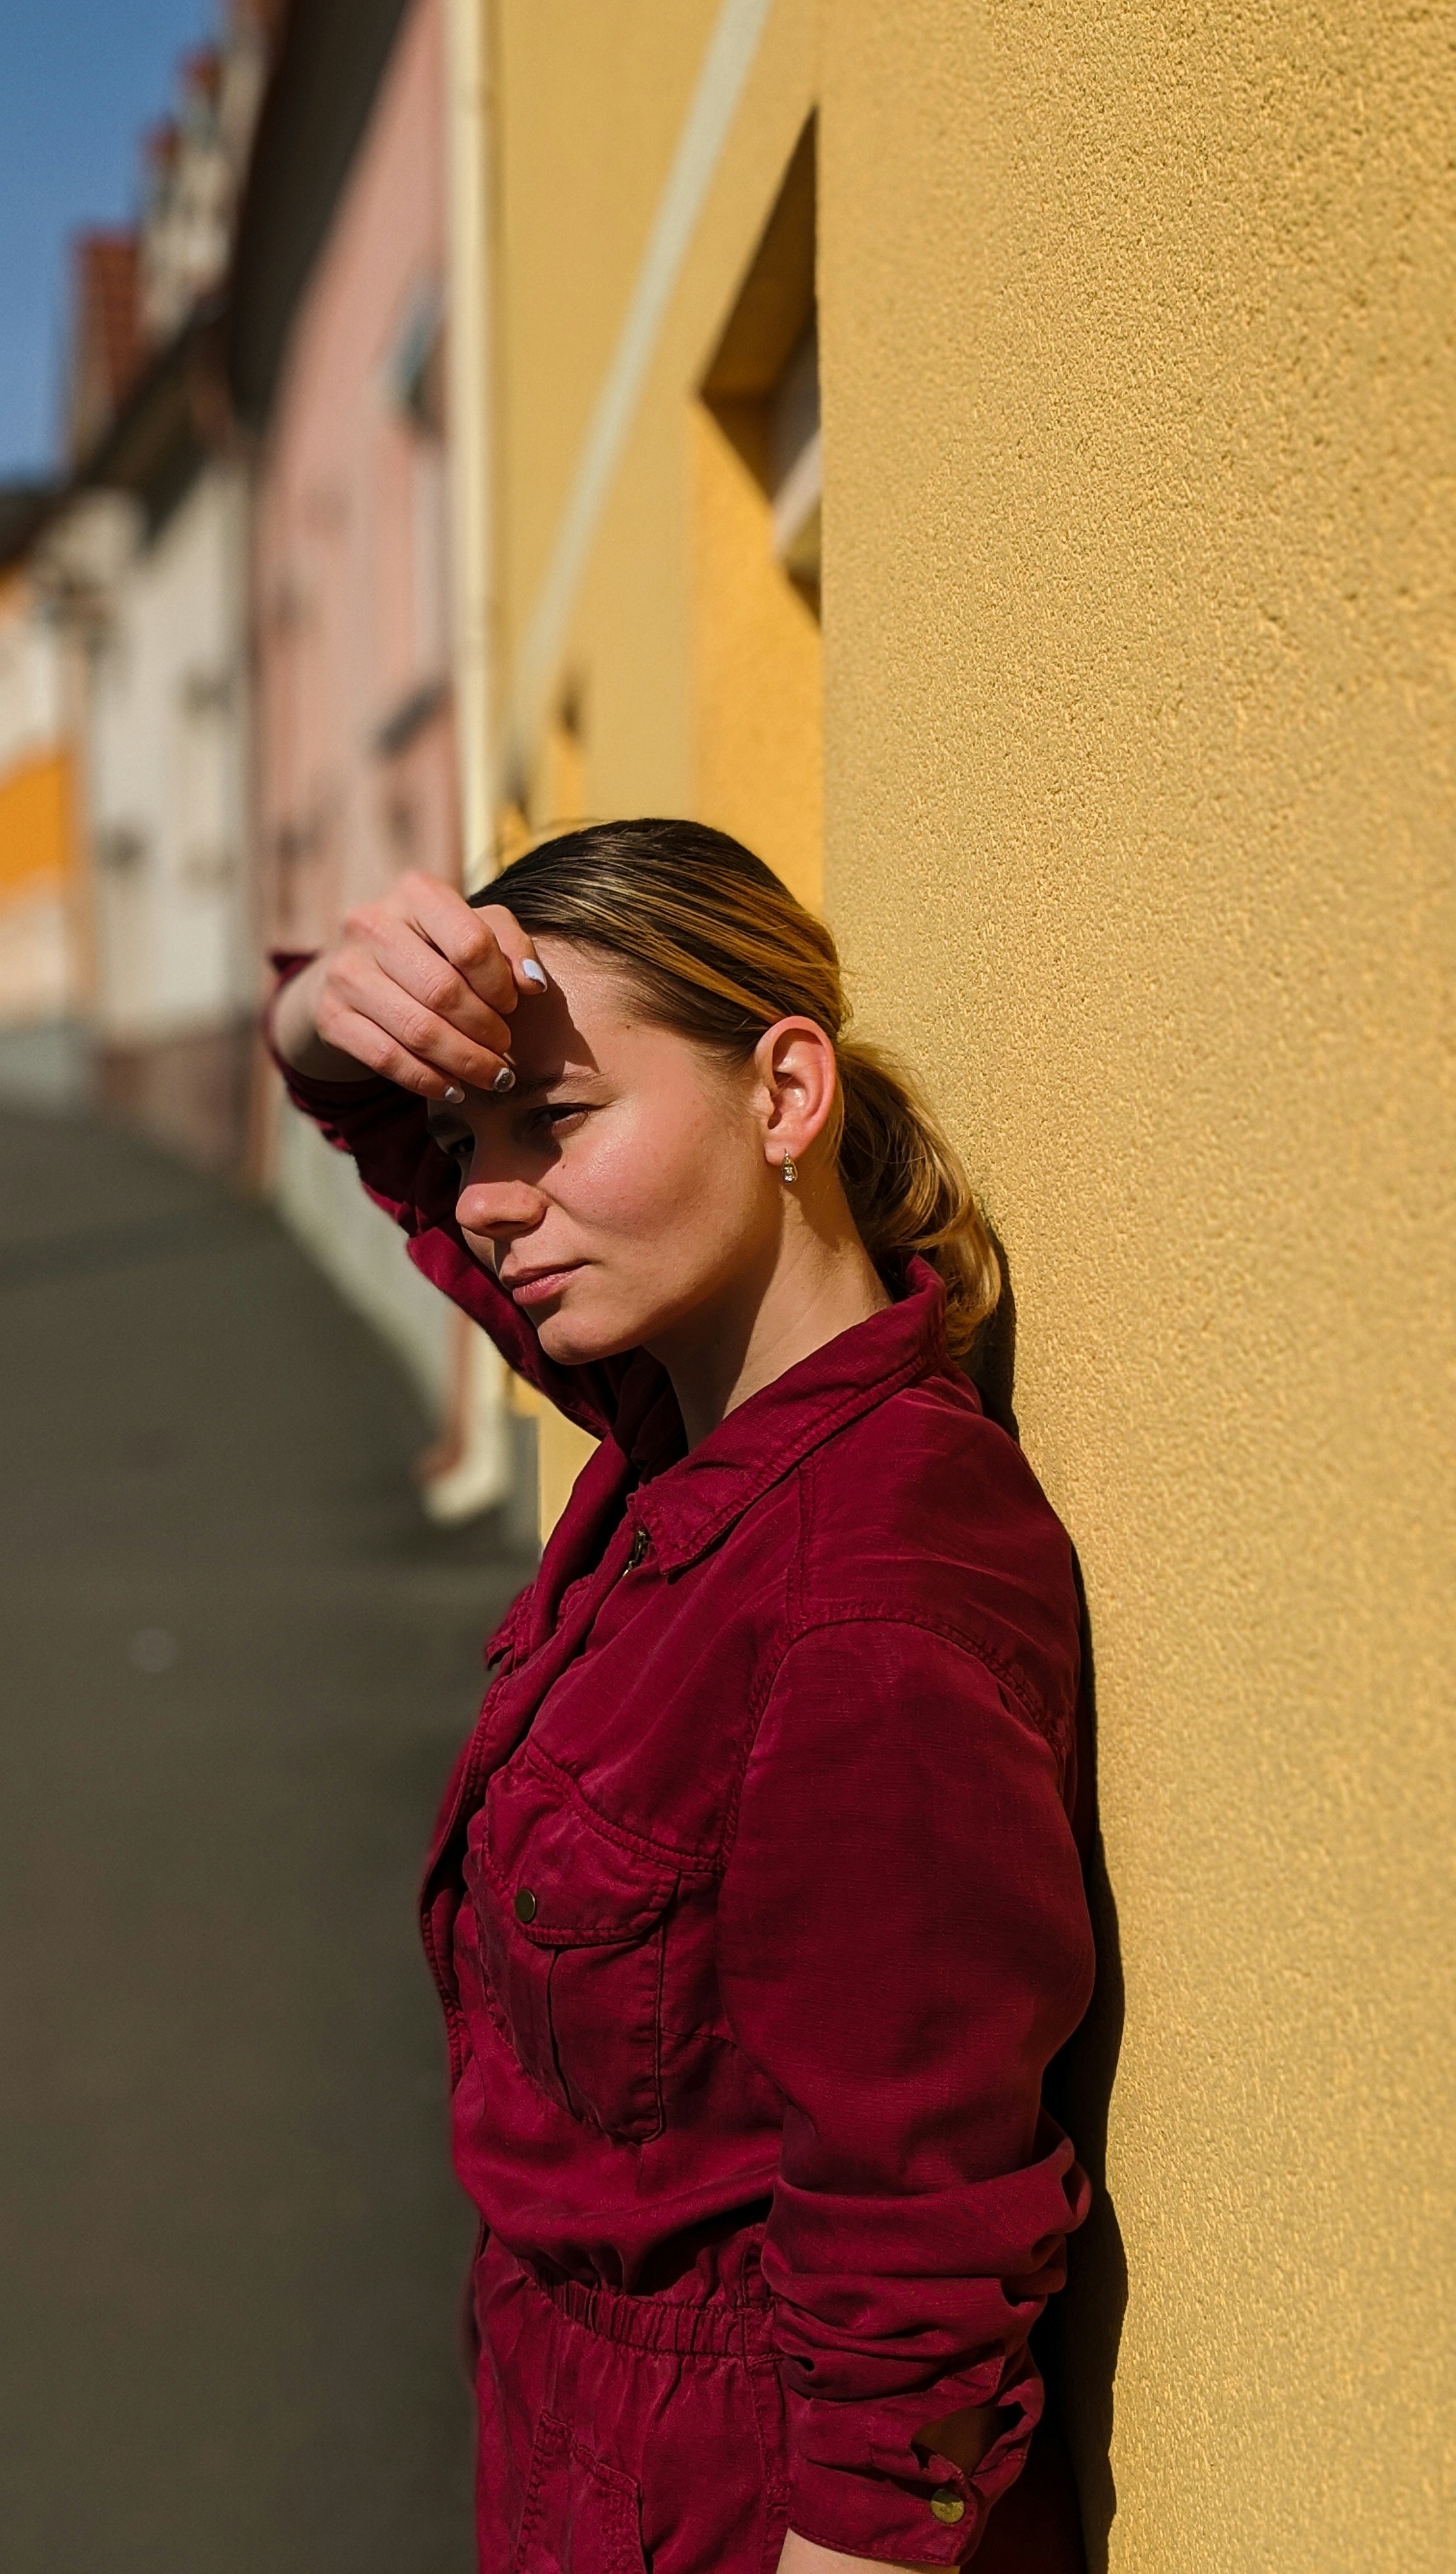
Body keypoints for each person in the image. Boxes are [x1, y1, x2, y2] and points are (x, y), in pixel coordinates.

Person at [267, 820, 1094, 2573]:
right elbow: (385, 1146)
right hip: (573, 2460)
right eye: (469, 1139)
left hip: (724, 2511)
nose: (490, 1198)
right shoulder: (685, 1435)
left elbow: (916, 2249)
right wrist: (329, 1019)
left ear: (784, 1092)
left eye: (554, 1124)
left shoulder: (871, 1595)